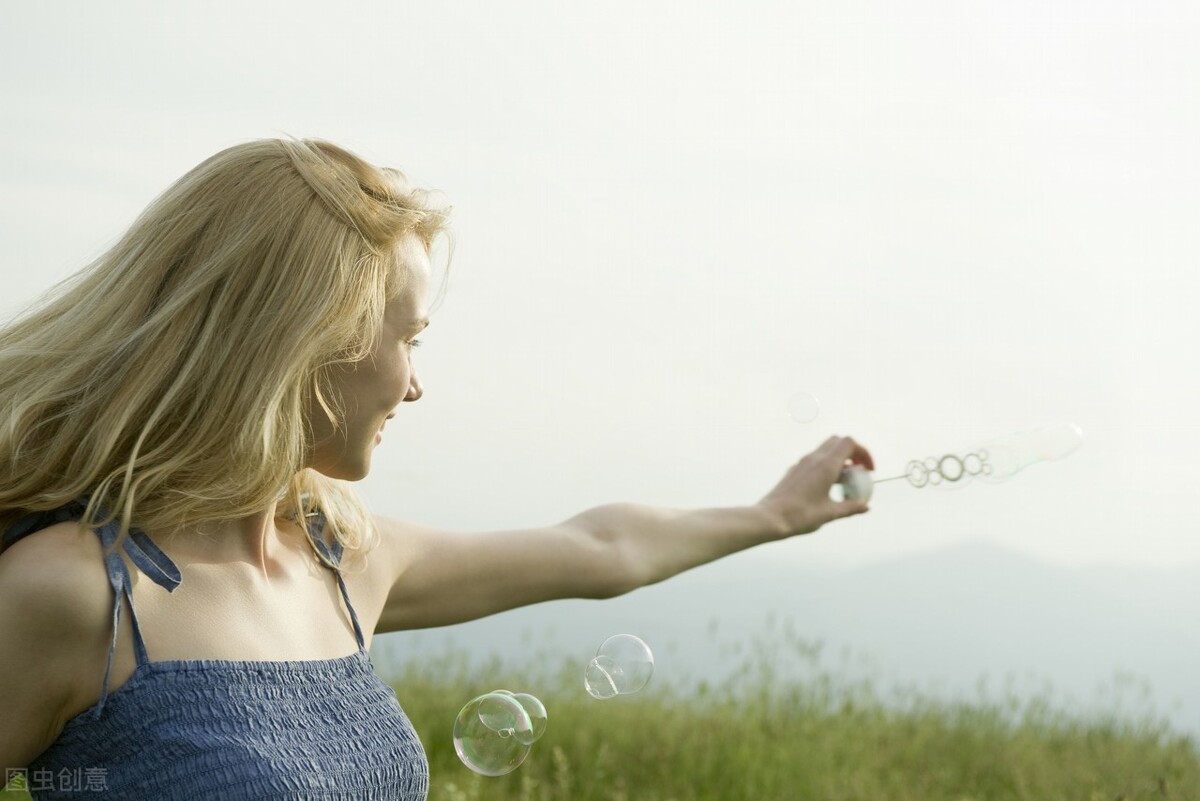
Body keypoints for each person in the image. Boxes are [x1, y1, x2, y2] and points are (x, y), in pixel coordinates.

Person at [0, 138, 873, 800]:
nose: (417, 385)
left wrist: (774, 515)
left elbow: (600, 548)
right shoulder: (77, 596)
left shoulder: (340, 558)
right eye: (409, 338)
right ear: (304, 343)